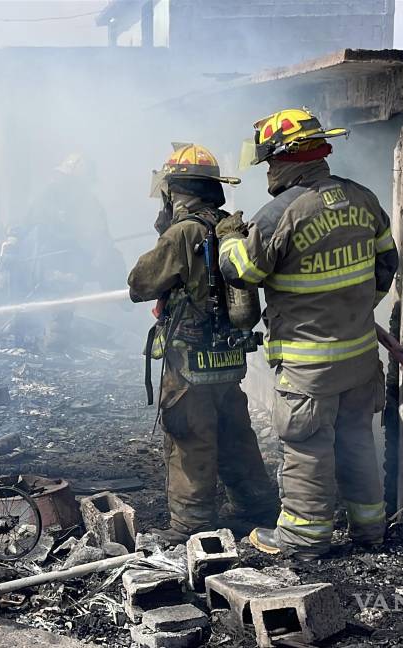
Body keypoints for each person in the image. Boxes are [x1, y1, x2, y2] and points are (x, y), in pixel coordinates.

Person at [218, 108, 399, 560]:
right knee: (356, 437)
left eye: (270, 164)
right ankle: (370, 527)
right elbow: (386, 267)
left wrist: (227, 239)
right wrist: (351, 311)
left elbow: (242, 271)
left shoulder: (279, 213)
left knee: (308, 446)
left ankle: (304, 536)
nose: (268, 173)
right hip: (359, 358)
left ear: (286, 158)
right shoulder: (363, 199)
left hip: (308, 365)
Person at [128, 143, 279, 545]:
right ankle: (255, 505)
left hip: (189, 358)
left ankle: (193, 522)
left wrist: (165, 234)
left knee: (189, 434)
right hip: (227, 356)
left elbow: (139, 283)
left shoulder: (183, 233)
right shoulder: (229, 225)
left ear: (175, 189)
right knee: (234, 429)